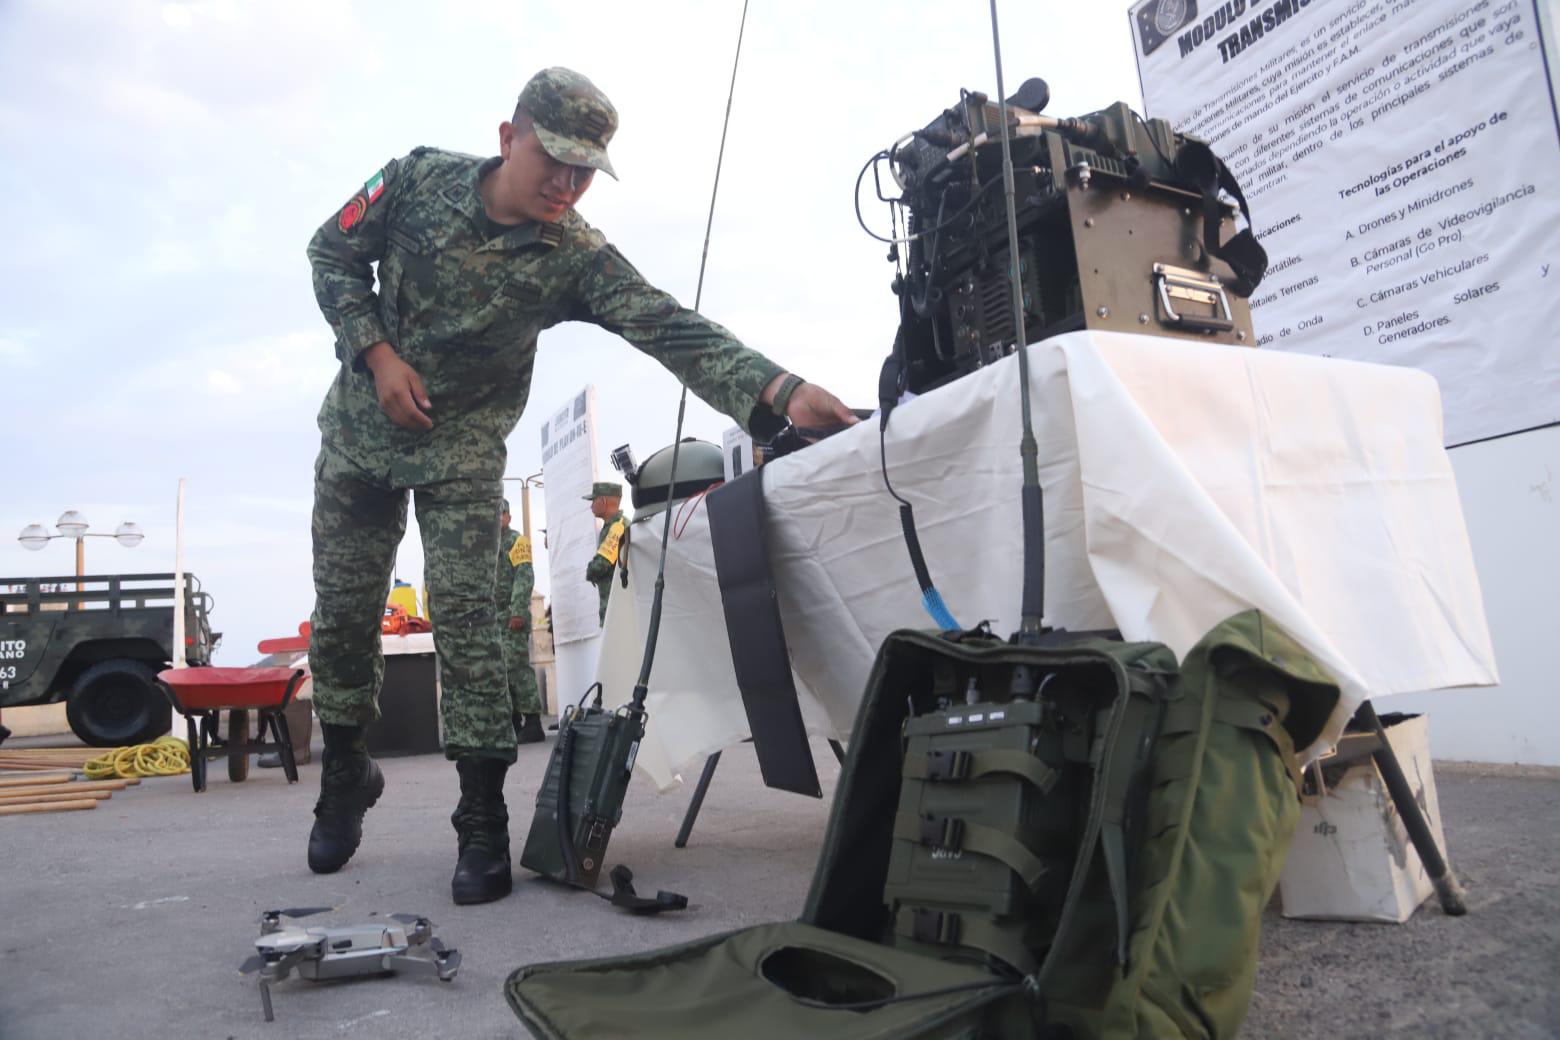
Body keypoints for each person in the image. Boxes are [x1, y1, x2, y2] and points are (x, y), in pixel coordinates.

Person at [302, 66, 855, 906]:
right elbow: (331, 252)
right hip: (358, 438)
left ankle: (480, 820)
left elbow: (668, 324)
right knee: (342, 620)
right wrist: (376, 354)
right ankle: (345, 770)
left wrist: (780, 391)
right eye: (552, 160)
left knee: (473, 627)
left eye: (585, 169)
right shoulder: (417, 179)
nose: (566, 184)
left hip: (462, 452)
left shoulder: (574, 255)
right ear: (506, 138)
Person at [498, 500, 544, 744]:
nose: (496, 519)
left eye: (500, 513)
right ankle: (513, 722)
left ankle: (533, 721)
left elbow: (524, 577)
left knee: (518, 670)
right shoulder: (487, 544)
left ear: (508, 516)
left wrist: (517, 611)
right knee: (501, 672)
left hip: (511, 616)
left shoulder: (517, 541)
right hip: (494, 620)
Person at [582, 482, 626, 623]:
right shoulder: (615, 525)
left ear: (603, 501)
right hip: (617, 606)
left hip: (616, 609)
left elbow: (601, 564)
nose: (591, 506)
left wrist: (590, 571)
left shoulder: (617, 527)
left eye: (593, 501)